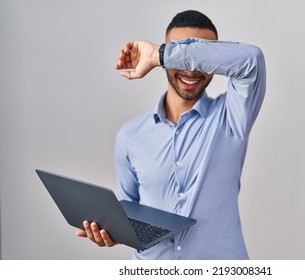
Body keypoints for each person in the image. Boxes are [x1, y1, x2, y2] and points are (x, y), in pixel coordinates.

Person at [76, 10, 266, 260]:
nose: (191, 71)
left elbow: (252, 59)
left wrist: (162, 55)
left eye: (200, 58)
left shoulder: (231, 118)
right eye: (182, 59)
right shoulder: (130, 135)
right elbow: (127, 210)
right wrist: (112, 231)